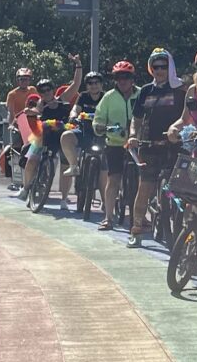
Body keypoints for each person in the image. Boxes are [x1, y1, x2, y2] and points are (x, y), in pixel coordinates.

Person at [130, 48, 185, 247]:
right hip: (148, 147)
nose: (159, 70)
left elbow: (187, 116)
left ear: (170, 66)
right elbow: (136, 118)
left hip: (174, 148)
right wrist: (132, 136)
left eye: (163, 66)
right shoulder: (146, 90)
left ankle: (177, 232)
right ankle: (136, 231)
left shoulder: (181, 90)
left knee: (176, 190)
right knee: (144, 187)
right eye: (155, 66)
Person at [94, 60, 137, 230]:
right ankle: (108, 217)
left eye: (126, 77)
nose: (123, 80)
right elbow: (98, 118)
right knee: (113, 180)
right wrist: (99, 126)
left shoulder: (141, 94)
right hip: (115, 143)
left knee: (143, 182)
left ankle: (141, 217)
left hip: (136, 143)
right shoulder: (109, 97)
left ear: (132, 78)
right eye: (118, 77)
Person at [65, 72, 105, 209]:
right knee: (66, 136)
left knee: (104, 169)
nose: (93, 86)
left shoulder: (106, 97)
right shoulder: (83, 96)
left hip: (101, 135)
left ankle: (106, 202)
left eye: (96, 82)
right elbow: (75, 110)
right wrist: (73, 115)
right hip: (85, 132)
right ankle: (73, 166)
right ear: (87, 86)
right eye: (90, 83)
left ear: (101, 84)